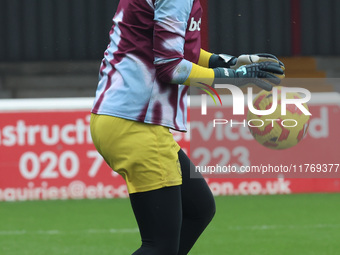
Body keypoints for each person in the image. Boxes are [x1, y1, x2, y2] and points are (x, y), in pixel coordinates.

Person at [90, 0, 284, 254]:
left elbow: (178, 49)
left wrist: (231, 62)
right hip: (138, 123)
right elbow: (171, 67)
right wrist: (238, 77)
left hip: (120, 118)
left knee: (198, 209)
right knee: (160, 246)